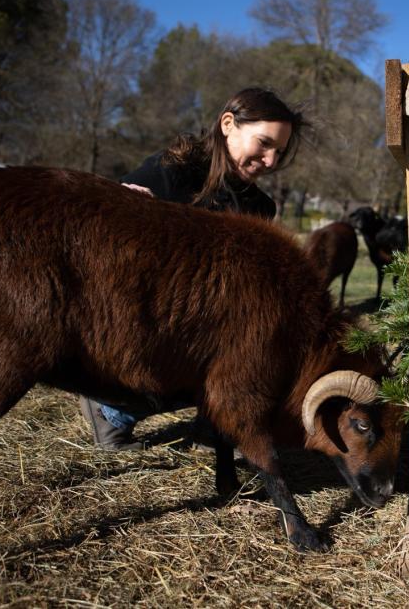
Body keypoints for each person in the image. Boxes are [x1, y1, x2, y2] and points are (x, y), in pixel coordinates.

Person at [79, 87, 305, 450]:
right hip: (147, 320)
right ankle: (111, 406)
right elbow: (103, 241)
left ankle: (213, 426)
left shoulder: (259, 209)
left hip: (209, 328)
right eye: (264, 144)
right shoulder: (169, 172)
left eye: (279, 152)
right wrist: (126, 207)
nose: (271, 161)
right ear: (228, 124)